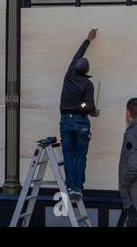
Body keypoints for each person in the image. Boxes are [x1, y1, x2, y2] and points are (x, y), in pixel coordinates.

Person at [59, 29, 100, 200]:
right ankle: (78, 188)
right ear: (87, 70)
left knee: (68, 154)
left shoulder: (69, 75)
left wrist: (88, 40)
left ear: (75, 67)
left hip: (66, 121)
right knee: (80, 155)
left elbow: (78, 54)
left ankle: (70, 187)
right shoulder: (88, 84)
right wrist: (94, 112)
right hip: (82, 122)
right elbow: (89, 105)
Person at [118, 98, 137, 227]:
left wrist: (124, 182)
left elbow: (133, 167)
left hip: (133, 199)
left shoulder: (131, 133)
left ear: (128, 113)